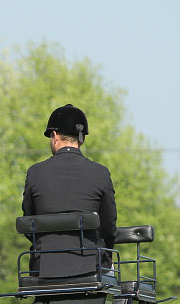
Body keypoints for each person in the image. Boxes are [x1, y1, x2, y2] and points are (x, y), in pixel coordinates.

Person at [21, 104, 117, 278]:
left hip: (43, 267)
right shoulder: (100, 173)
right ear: (81, 139)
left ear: (55, 136)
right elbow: (109, 227)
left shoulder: (34, 173)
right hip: (91, 266)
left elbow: (30, 224)